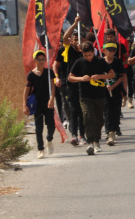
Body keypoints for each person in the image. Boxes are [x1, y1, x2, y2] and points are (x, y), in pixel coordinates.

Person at [69, 41, 116, 155]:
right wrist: (81, 78)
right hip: (84, 95)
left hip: (99, 95)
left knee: (98, 119)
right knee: (88, 117)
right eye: (85, 55)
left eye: (89, 55)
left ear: (93, 52)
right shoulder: (79, 62)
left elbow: (112, 74)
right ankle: (90, 142)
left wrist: (100, 76)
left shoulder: (100, 61)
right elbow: (70, 77)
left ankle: (97, 141)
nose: (88, 57)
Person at [54, 18, 85, 146]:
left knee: (82, 111)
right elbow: (65, 37)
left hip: (84, 86)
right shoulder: (68, 50)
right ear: (72, 41)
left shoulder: (86, 52)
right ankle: (74, 135)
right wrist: (74, 23)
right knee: (73, 110)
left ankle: (82, 135)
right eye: (75, 40)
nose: (77, 42)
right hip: (70, 85)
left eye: (79, 40)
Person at [23, 50, 56, 159]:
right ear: (35, 61)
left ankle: (49, 139)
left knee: (51, 125)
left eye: (43, 59)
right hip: (37, 104)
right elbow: (27, 90)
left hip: (48, 102)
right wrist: (24, 104)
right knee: (38, 127)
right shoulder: (31, 75)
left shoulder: (49, 72)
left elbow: (53, 86)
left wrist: (52, 98)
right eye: (39, 59)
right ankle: (40, 149)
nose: (41, 61)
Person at [102, 42, 127, 144]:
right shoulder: (101, 62)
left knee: (116, 112)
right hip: (104, 91)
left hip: (116, 90)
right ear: (104, 51)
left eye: (114, 51)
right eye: (110, 50)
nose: (112, 53)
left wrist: (113, 86)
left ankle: (115, 128)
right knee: (107, 112)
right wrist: (105, 85)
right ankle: (110, 133)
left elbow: (121, 77)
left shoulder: (117, 62)